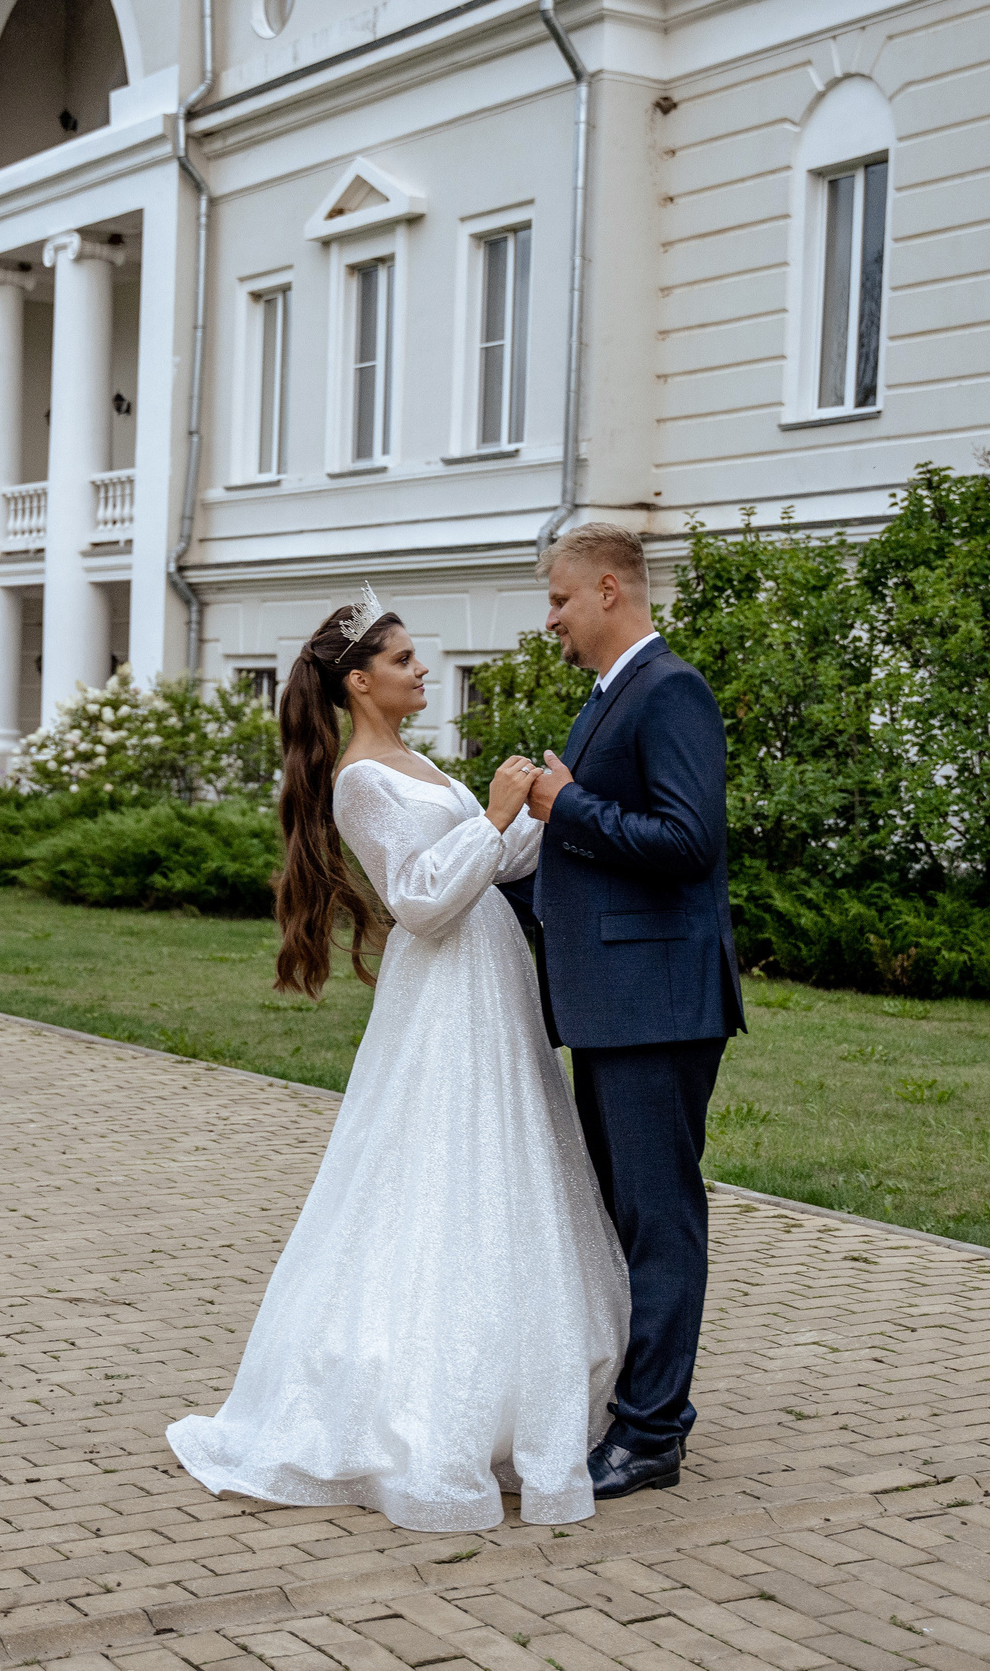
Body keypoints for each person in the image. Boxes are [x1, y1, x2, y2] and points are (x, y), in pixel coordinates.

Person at [166, 587, 627, 1531]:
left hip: (490, 978)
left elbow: (490, 866)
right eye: (407, 658)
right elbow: (419, 899)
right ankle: (419, 1407)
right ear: (360, 681)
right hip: (444, 988)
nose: (423, 670)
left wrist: (541, 807)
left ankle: (521, 1385)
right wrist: (492, 820)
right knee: (435, 1171)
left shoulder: (416, 760)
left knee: (508, 1168)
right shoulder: (361, 780)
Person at [524, 523, 744, 1500]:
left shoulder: (670, 691)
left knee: (658, 1219)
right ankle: (640, 1406)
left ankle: (652, 1434)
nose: (553, 619)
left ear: (609, 590)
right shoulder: (606, 702)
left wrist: (562, 804)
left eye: (560, 600)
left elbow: (688, 841)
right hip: (612, 1005)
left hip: (656, 1005)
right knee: (626, 1214)